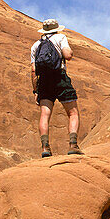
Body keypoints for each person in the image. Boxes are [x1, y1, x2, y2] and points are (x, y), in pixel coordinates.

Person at [30, 19, 82, 157]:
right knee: (73, 113)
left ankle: (45, 148)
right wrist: (69, 51)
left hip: (44, 81)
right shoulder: (61, 37)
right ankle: (73, 145)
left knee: (45, 115)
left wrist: (36, 90)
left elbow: (34, 70)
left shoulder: (36, 45)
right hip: (60, 77)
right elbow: (67, 55)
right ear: (56, 29)